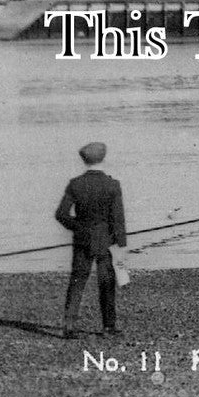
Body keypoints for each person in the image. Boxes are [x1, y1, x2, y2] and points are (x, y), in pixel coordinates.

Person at [55, 142, 126, 339]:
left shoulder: (75, 183)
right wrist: (121, 245)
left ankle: (69, 326)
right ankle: (109, 326)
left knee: (77, 281)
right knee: (107, 282)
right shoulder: (112, 184)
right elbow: (118, 219)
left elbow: (61, 214)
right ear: (103, 158)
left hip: (82, 239)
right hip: (106, 240)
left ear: (84, 160)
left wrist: (78, 227)